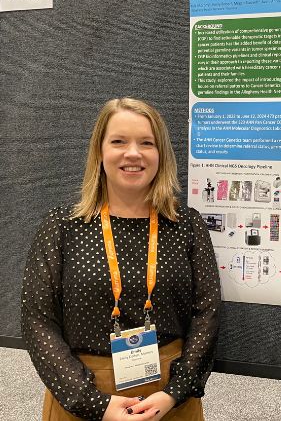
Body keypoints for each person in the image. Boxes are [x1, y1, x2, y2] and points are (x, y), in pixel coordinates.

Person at [22, 98, 221, 420]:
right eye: (118, 141)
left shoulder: (187, 224)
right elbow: (37, 319)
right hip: (82, 391)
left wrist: (175, 391)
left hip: (168, 394)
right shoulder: (62, 225)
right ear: (99, 152)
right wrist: (92, 402)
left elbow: (207, 313)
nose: (133, 153)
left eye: (146, 143)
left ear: (161, 154)